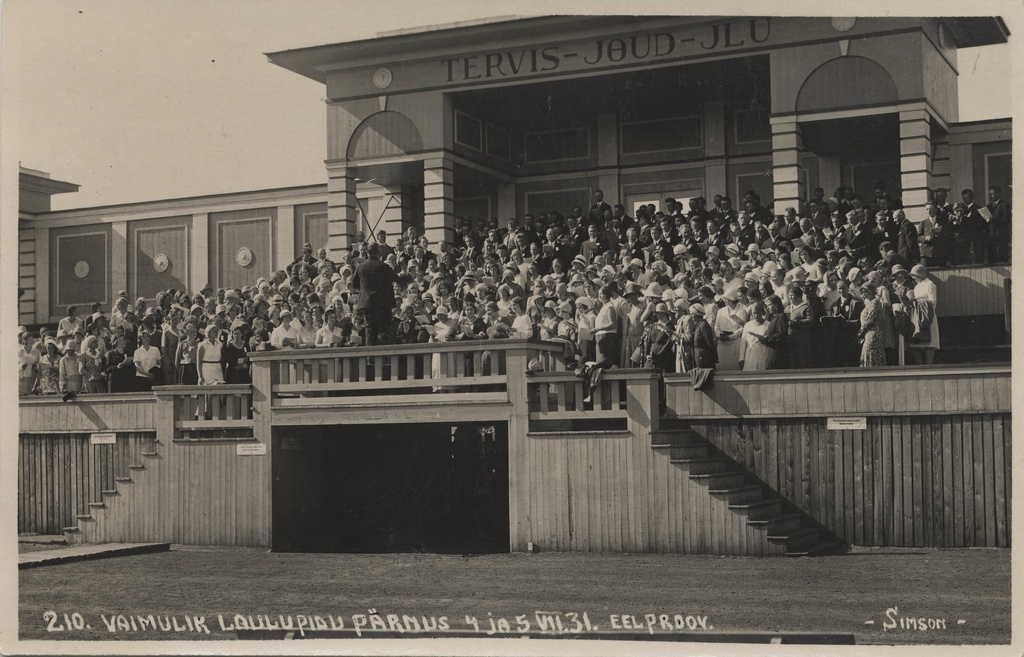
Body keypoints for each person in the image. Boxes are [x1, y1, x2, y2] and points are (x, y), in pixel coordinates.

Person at [351, 242, 399, 346]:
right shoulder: (385, 267)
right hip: (382, 304)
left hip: (367, 304)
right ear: (379, 253)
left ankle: (370, 359)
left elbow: (354, 284)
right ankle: (384, 358)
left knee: (370, 331)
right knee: (383, 330)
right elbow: (397, 279)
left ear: (367, 253)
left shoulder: (360, 267)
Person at [905, 264, 940, 365]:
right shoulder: (917, 286)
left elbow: (933, 302)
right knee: (915, 344)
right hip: (917, 316)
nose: (913, 277)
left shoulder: (930, 284)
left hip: (927, 316)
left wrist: (917, 301)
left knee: (929, 345)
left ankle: (929, 366)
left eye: (914, 275)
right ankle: (919, 366)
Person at [858, 283, 887, 367]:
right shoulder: (869, 303)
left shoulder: (875, 302)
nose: (864, 294)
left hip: (874, 334)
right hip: (868, 334)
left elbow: (870, 319)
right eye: (862, 292)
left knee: (871, 354)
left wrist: (859, 332)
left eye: (866, 291)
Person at [738, 301, 772, 371]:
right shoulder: (747, 325)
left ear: (762, 312)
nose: (755, 316)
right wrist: (741, 358)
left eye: (758, 313)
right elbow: (743, 342)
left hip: (762, 355)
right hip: (750, 356)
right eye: (754, 313)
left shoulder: (768, 325)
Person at [593, 285, 620, 367]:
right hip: (601, 338)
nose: (599, 296)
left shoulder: (610, 307)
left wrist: (598, 329)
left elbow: (613, 324)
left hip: (607, 338)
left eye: (601, 294)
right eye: (599, 294)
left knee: (606, 362)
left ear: (607, 295)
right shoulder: (604, 307)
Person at [18, 330, 40, 395]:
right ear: (24, 340)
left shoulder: (36, 351)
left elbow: (40, 365)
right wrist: (21, 366)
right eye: (29, 340)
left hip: (32, 377)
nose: (31, 342)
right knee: (22, 395)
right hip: (22, 377)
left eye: (32, 340)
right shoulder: (19, 351)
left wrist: (36, 366)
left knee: (31, 395)